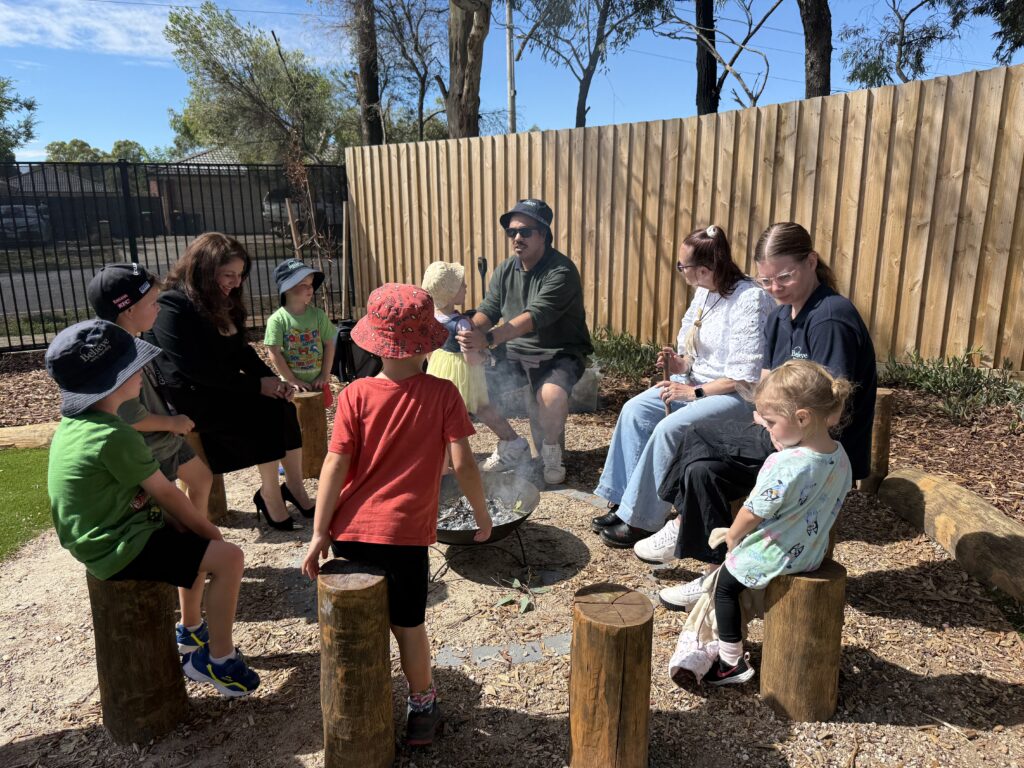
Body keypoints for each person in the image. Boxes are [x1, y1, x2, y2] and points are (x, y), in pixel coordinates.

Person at [301, 283, 492, 747]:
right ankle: (422, 707)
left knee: (358, 623)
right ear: (428, 342)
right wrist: (482, 517)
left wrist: (319, 532)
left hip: (350, 533)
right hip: (406, 538)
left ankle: (355, 704)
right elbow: (464, 464)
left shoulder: (355, 395)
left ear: (373, 341)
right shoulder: (444, 395)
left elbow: (335, 464)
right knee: (409, 628)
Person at [657, 221, 877, 611]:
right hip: (785, 433)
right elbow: (764, 389)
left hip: (819, 452)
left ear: (811, 262)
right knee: (700, 471)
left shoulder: (830, 318)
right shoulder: (780, 317)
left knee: (698, 435)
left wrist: (774, 427)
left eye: (784, 277)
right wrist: (765, 418)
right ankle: (717, 569)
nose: (775, 288)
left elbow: (833, 410)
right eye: (766, 280)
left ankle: (678, 519)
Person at [45, 319, 259, 697]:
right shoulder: (114, 435)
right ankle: (218, 660)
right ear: (113, 380)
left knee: (192, 542)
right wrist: (211, 531)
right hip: (114, 544)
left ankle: (190, 631)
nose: (142, 372)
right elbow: (169, 494)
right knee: (228, 558)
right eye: (133, 367)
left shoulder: (82, 422)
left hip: (112, 528)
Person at [591, 225, 775, 551]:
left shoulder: (750, 300)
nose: (680, 271)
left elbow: (744, 376)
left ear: (703, 269)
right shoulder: (705, 290)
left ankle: (641, 519)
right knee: (635, 410)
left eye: (682, 266)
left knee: (670, 428)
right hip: (695, 384)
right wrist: (680, 366)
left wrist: (694, 394)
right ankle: (622, 500)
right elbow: (696, 356)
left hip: (734, 397)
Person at [145, 232, 313, 531]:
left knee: (283, 405)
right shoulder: (172, 304)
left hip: (220, 386)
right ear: (204, 270)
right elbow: (193, 369)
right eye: (229, 274)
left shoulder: (222, 299)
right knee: (265, 409)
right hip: (190, 396)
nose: (236, 282)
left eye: (240, 275)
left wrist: (270, 379)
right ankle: (271, 496)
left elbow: (241, 351)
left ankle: (294, 488)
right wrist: (257, 386)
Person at [708, 360, 853, 685]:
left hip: (776, 555)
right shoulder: (840, 456)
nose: (768, 430)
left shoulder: (786, 463)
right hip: (812, 554)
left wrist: (733, 535)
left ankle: (730, 662)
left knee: (725, 586)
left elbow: (753, 510)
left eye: (771, 422)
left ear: (802, 418)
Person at [457, 198, 593, 486]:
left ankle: (550, 451)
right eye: (512, 232)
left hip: (558, 352)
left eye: (525, 231)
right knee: (474, 389)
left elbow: (534, 316)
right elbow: (489, 310)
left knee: (551, 397)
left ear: (543, 234)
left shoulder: (561, 271)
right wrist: (465, 328)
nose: (517, 238)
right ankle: (512, 444)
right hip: (515, 352)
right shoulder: (506, 269)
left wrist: (488, 338)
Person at [87, 262, 214, 518]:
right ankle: (190, 544)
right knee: (166, 509)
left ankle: (195, 538)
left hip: (166, 437)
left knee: (201, 479)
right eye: (152, 302)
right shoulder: (117, 356)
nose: (158, 307)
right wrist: (172, 422)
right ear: (129, 309)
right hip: (148, 446)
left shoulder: (135, 339)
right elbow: (130, 416)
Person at [420, 260, 527, 467]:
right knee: (480, 406)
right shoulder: (461, 323)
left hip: (440, 368)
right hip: (463, 371)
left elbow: (429, 351)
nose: (466, 287)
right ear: (451, 293)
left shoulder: (431, 318)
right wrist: (487, 358)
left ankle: (444, 458)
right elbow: (470, 357)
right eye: (461, 285)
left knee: (444, 413)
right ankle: (511, 441)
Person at [264, 258, 337, 406]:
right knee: (295, 420)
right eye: (303, 285)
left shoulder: (318, 315)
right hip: (293, 387)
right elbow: (274, 352)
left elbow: (329, 344)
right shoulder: (277, 320)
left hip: (318, 382)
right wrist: (291, 379)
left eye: (310, 284)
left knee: (317, 421)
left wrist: (324, 374)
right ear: (287, 289)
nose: (310, 289)